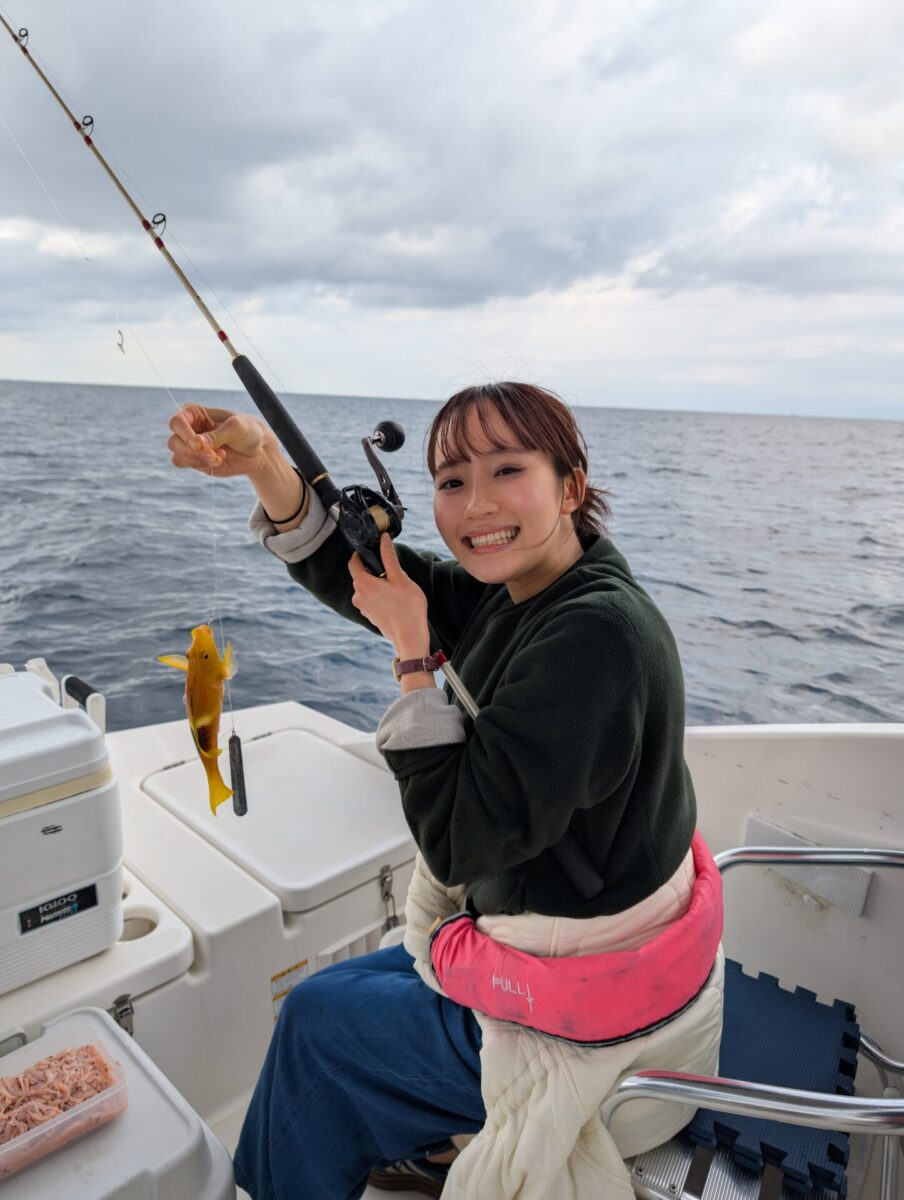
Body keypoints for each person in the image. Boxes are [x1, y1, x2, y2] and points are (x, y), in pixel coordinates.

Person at [167, 382, 724, 1200]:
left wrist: (414, 659)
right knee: (328, 995)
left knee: (317, 1029)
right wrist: (264, 464)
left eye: (507, 471)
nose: (477, 505)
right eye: (453, 480)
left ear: (570, 485)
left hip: (596, 1024)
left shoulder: (596, 638)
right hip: (593, 951)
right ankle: (406, 1128)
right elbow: (371, 574)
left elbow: (461, 843)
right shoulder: (539, 590)